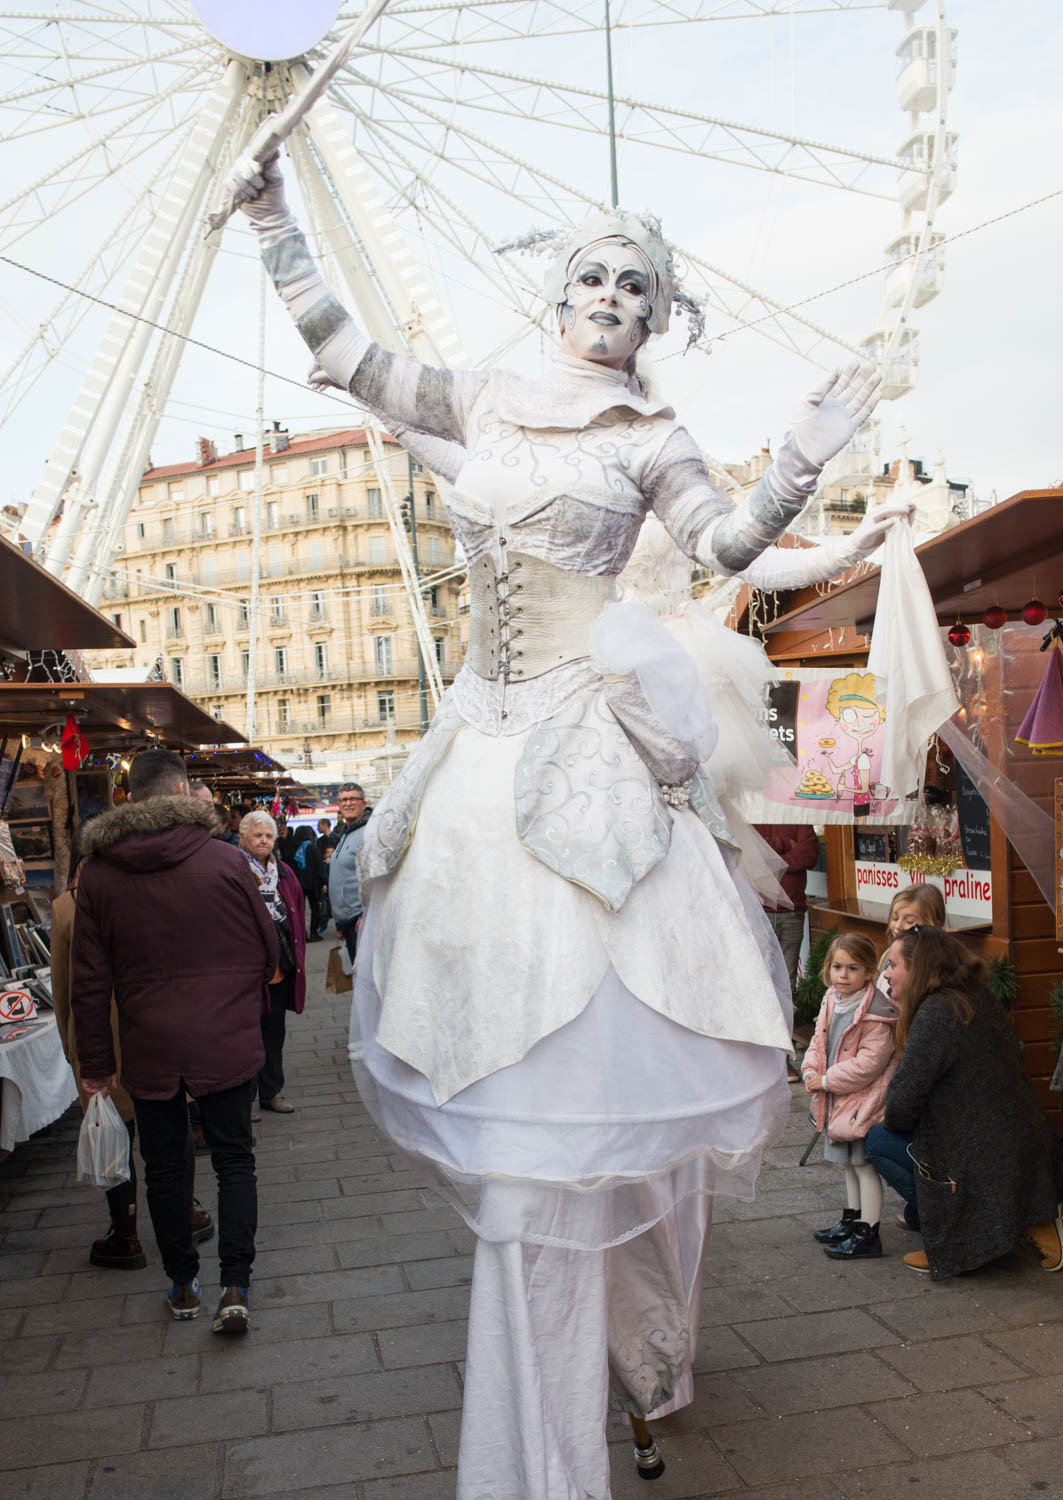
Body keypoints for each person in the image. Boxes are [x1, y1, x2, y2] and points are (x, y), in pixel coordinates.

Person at [231, 146, 903, 1495]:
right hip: (475, 755)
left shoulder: (650, 439)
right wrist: (270, 216)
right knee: (483, 1033)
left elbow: (718, 550)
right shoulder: (480, 397)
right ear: (558, 293)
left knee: (585, 1039)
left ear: (657, 320)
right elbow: (351, 356)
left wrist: (808, 463)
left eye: (637, 287)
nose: (610, 295)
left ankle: (604, 1379)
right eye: (593, 275)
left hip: (571, 753)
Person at [72, 749, 276, 1331]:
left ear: (130, 800)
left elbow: (89, 981)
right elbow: (268, 951)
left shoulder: (99, 874)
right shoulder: (226, 861)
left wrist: (95, 1066)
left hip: (150, 1044)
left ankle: (182, 1284)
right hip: (225, 1040)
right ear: (186, 792)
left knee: (165, 1168)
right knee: (235, 1161)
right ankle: (234, 1285)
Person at [52, 817, 216, 1270]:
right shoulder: (153, 890)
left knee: (114, 1131)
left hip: (98, 1038)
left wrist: (74, 1049)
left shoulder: (67, 906)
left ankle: (124, 1234)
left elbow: (63, 988)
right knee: (172, 1125)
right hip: (158, 1031)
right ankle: (186, 1211)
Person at [873, 925, 1063, 1277]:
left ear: (918, 969)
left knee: (878, 1140)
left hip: (985, 1157)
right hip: (1026, 1145)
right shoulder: (973, 994)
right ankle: (1021, 1221)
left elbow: (901, 1106)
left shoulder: (936, 1011)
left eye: (893, 965)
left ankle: (961, 1238)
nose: (885, 973)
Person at [803, 933, 897, 1259]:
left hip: (862, 1102)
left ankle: (868, 1233)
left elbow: (868, 1065)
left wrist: (826, 1080)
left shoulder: (876, 1013)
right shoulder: (832, 998)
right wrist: (810, 1071)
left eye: (853, 968)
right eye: (837, 967)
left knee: (863, 1165)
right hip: (837, 1098)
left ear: (870, 972)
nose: (842, 975)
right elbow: (819, 1041)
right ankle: (851, 1219)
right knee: (847, 1164)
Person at [238, 810, 306, 1116]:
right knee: (245, 1036)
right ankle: (247, 1098)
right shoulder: (233, 869)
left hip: (278, 969)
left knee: (273, 1034)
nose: (263, 841)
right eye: (257, 835)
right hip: (245, 972)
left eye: (268, 836)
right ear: (243, 837)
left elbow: (296, 911)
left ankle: (271, 1092)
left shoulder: (285, 872)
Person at [754, 825, 820, 998]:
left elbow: (810, 854)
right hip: (759, 913)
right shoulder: (752, 812)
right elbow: (750, 853)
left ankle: (786, 1024)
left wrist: (771, 862)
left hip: (793, 911)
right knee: (759, 976)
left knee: (787, 981)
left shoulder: (795, 815)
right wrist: (785, 843)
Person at [328, 785, 371, 963]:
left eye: (353, 799)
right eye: (343, 800)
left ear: (364, 803)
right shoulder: (347, 832)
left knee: (366, 982)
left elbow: (373, 876)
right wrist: (339, 923)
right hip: (348, 923)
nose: (348, 803)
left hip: (360, 922)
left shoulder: (368, 833)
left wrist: (365, 914)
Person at [876, 884, 946, 986]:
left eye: (909, 921)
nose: (898, 926)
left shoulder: (936, 969)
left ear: (934, 925)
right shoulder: (887, 956)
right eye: (895, 918)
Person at [290, 825, 328, 942]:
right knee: (315, 909)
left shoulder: (292, 849)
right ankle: (313, 933)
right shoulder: (312, 848)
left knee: (300, 910)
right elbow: (319, 867)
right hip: (312, 884)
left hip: (297, 884)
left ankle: (302, 934)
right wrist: (324, 882)